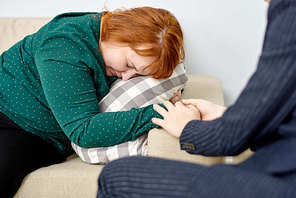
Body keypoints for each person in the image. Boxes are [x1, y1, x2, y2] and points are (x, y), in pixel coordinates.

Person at [97, 0, 296, 197]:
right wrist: (225, 115)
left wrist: (187, 127)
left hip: (283, 182)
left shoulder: (290, 11)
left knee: (116, 176)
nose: (125, 76)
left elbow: (230, 138)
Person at [0, 7, 184, 197]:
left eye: (138, 74)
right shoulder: (63, 45)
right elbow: (83, 130)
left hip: (46, 140)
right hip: (8, 115)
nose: (128, 77)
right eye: (129, 65)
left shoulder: (115, 54)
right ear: (118, 34)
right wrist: (162, 112)